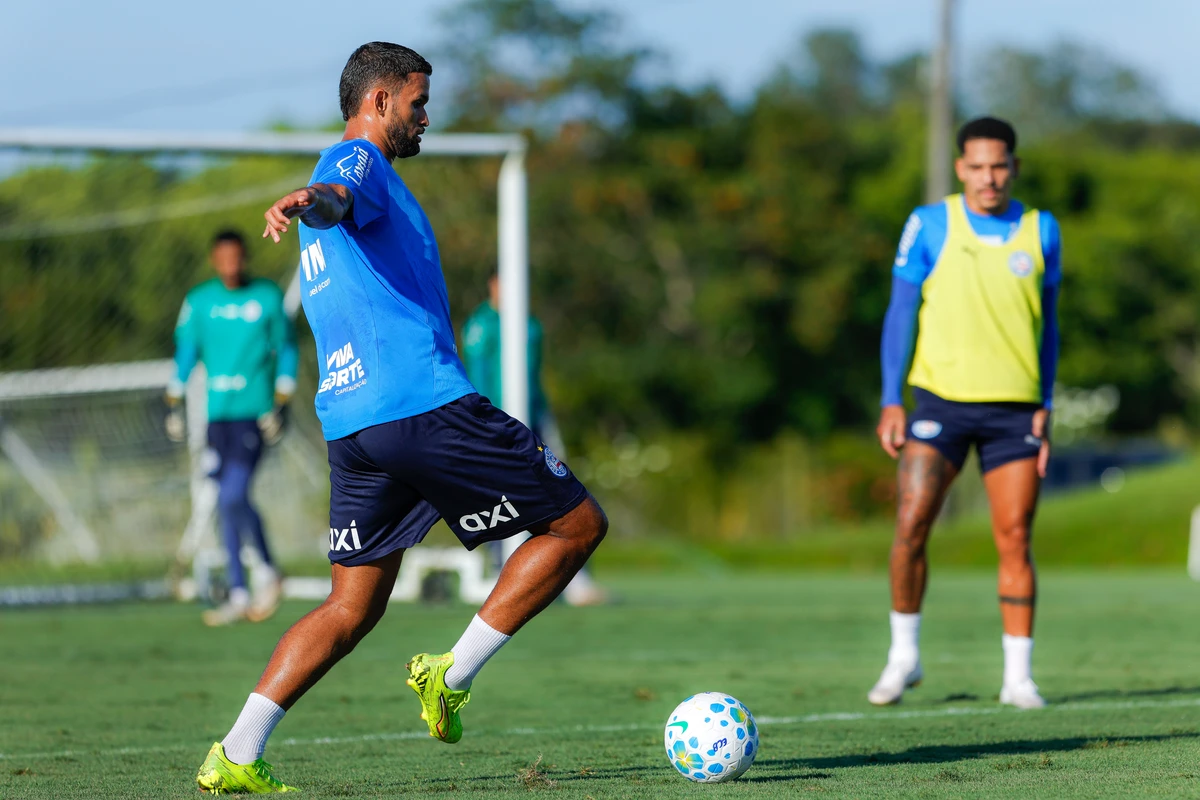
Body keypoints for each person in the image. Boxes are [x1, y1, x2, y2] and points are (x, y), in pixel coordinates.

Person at [195, 42, 606, 794]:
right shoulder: (358, 160)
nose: (425, 117)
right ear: (379, 100)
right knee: (576, 525)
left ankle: (236, 752)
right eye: (418, 103)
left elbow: (335, 207)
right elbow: (337, 193)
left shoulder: (360, 179)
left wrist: (315, 203)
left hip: (352, 427)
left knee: (350, 607)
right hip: (421, 404)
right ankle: (452, 673)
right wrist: (313, 199)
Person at [869, 117, 1060, 710]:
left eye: (999, 166)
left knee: (1015, 536)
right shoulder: (929, 224)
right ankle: (904, 657)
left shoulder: (1042, 229)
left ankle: (1018, 678)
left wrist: (1046, 404)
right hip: (940, 404)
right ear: (960, 168)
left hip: (1015, 411)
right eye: (977, 166)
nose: (988, 177)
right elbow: (900, 312)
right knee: (911, 524)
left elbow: (1050, 325)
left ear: (1014, 167)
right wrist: (891, 398)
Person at [168, 230, 297, 627]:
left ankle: (267, 571)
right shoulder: (199, 301)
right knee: (228, 500)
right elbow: (187, 351)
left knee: (232, 494)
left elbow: (287, 348)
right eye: (224, 257)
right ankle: (240, 593)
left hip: (253, 414)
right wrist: (173, 398)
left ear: (245, 257)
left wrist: (283, 399)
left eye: (237, 256)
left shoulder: (267, 297)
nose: (231, 264)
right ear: (215, 260)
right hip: (216, 417)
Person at [461, 275, 608, 606]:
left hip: (535, 419)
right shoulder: (481, 326)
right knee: (500, 496)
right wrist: (481, 422)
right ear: (493, 284)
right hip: (496, 421)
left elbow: (535, 375)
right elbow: (477, 375)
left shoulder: (531, 325)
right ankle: (502, 571)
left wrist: (544, 417)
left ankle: (575, 576)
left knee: (560, 487)